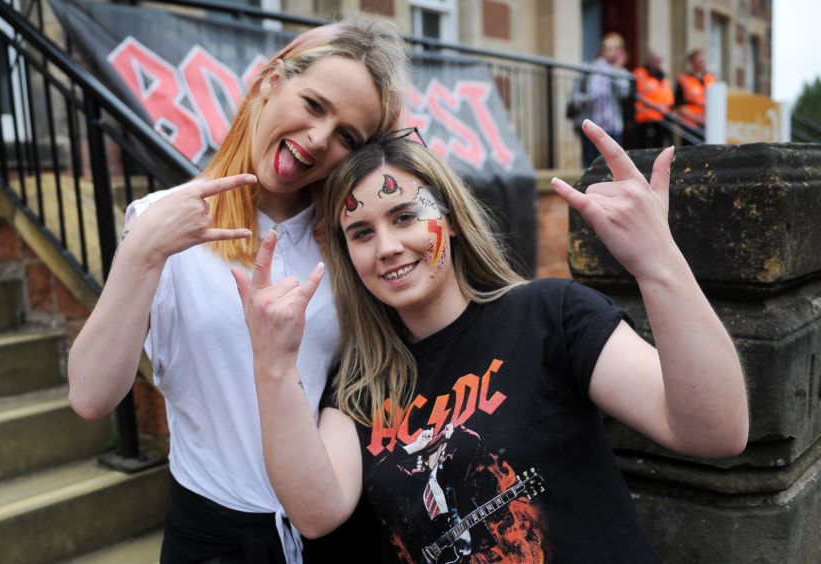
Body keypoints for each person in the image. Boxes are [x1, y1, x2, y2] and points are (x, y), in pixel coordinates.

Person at [233, 120, 749, 562]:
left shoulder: (551, 315)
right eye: (361, 233)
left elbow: (715, 430)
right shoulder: (358, 388)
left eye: (404, 216)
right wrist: (272, 364)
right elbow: (317, 514)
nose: (387, 247)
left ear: (451, 220)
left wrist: (657, 262)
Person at [67, 15, 409, 564]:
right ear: (271, 79)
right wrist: (141, 252)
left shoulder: (349, 242)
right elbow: (90, 395)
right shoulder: (161, 222)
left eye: (348, 135)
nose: (319, 139)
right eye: (315, 105)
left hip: (333, 527)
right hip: (210, 537)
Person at [572, 32, 633, 168]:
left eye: (613, 48)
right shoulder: (589, 69)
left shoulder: (622, 73)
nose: (609, 52)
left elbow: (624, 93)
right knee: (591, 163)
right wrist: (584, 99)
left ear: (620, 52)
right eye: (606, 48)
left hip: (613, 124)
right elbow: (574, 95)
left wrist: (615, 70)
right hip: (591, 121)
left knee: (614, 163)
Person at [633, 49, 675, 149]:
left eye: (659, 60)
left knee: (661, 147)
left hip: (662, 118)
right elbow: (637, 95)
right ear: (647, 60)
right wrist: (655, 106)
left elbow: (668, 96)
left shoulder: (663, 76)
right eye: (654, 59)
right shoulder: (640, 74)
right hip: (646, 119)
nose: (656, 62)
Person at [674, 49, 716, 139]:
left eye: (704, 61)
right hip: (690, 125)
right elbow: (679, 105)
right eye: (700, 61)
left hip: (709, 124)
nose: (703, 63)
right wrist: (697, 119)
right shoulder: (683, 79)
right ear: (692, 62)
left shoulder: (710, 78)